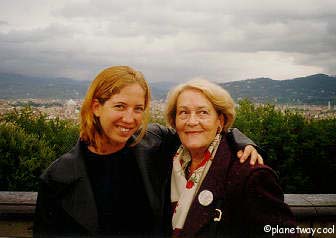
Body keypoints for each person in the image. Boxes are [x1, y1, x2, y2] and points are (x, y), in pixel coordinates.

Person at [33, 66, 263, 237]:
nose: (130, 119)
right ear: (96, 107)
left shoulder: (153, 143)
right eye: (120, 106)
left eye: (139, 109)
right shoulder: (58, 177)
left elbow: (200, 132)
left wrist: (242, 143)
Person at [166, 79, 296, 238]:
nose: (192, 121)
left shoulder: (248, 174)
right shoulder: (167, 162)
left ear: (220, 121)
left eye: (203, 112)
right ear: (175, 120)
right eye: (184, 112)